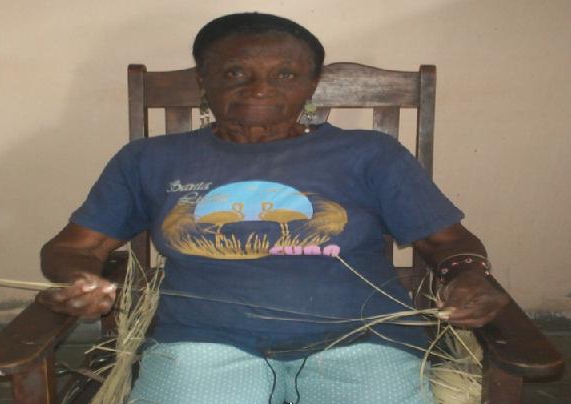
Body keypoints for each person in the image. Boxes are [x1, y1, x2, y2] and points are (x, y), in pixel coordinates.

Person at [37, 12, 509, 404]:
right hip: (202, 343)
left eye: (284, 74)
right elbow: (75, 248)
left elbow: (448, 242)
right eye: (234, 73)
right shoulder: (150, 159)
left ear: (311, 83)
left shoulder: (370, 153)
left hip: (363, 340)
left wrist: (468, 275)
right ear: (204, 79)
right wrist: (80, 278)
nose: (258, 89)